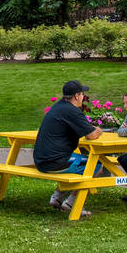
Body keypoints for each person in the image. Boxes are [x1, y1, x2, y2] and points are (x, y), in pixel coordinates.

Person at [33, 79, 102, 217]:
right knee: (96, 165)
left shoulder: (57, 107)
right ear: (77, 96)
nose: (83, 97)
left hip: (41, 160)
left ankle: (57, 197)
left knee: (78, 161)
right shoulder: (72, 111)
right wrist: (98, 130)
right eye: (82, 94)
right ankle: (71, 203)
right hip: (54, 162)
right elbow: (92, 135)